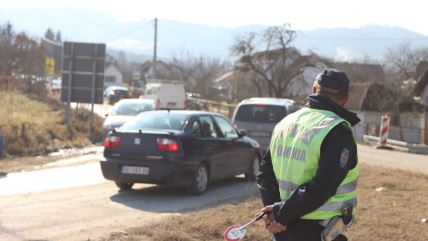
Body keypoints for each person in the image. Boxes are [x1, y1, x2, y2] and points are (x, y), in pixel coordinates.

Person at [256, 69, 361, 241]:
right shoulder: (337, 130)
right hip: (316, 231)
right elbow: (322, 188)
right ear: (345, 100)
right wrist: (279, 213)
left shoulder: (285, 123)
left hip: (283, 230)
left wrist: (276, 213)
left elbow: (264, 175)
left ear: (313, 89)